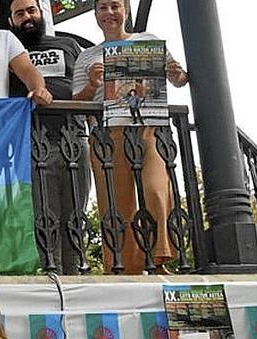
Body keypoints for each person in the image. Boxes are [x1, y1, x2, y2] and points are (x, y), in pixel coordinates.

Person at [72, 0, 189, 274]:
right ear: (96, 15)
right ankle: (124, 268)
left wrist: (177, 73)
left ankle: (160, 257)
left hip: (148, 126)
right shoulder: (86, 56)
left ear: (125, 10)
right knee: (115, 201)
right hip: (107, 131)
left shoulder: (147, 41)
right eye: (103, 8)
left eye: (115, 6)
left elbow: (178, 78)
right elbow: (77, 100)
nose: (110, 13)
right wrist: (92, 84)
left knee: (156, 189)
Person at [8, 0, 92, 274]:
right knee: (44, 216)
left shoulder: (68, 45)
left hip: (73, 136)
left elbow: (83, 88)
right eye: (19, 14)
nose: (27, 17)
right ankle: (50, 275)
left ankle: (75, 274)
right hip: (32, 142)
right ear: (11, 21)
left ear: (41, 13)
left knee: (75, 214)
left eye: (31, 11)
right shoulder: (9, 51)